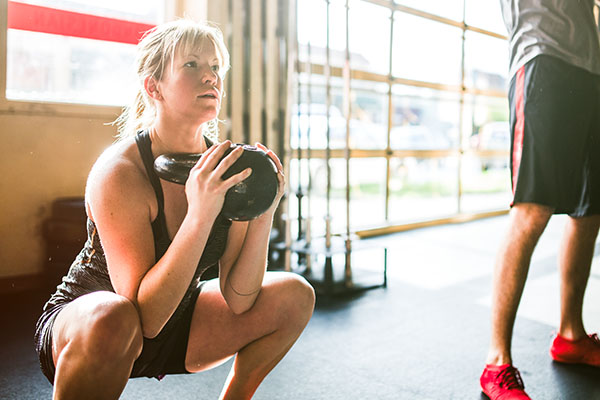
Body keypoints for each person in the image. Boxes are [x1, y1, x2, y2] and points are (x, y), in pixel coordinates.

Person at [34, 19, 315, 400]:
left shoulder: (226, 169)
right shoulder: (121, 172)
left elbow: (240, 298)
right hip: (95, 330)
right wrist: (200, 215)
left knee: (295, 295)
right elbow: (143, 318)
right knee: (114, 318)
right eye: (192, 65)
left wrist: (262, 211)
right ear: (153, 87)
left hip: (177, 323)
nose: (211, 77)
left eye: (216, 67)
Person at [480, 1, 600, 399]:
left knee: (590, 210)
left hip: (591, 67)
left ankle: (571, 336)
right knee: (532, 209)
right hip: (543, 54)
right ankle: (496, 363)